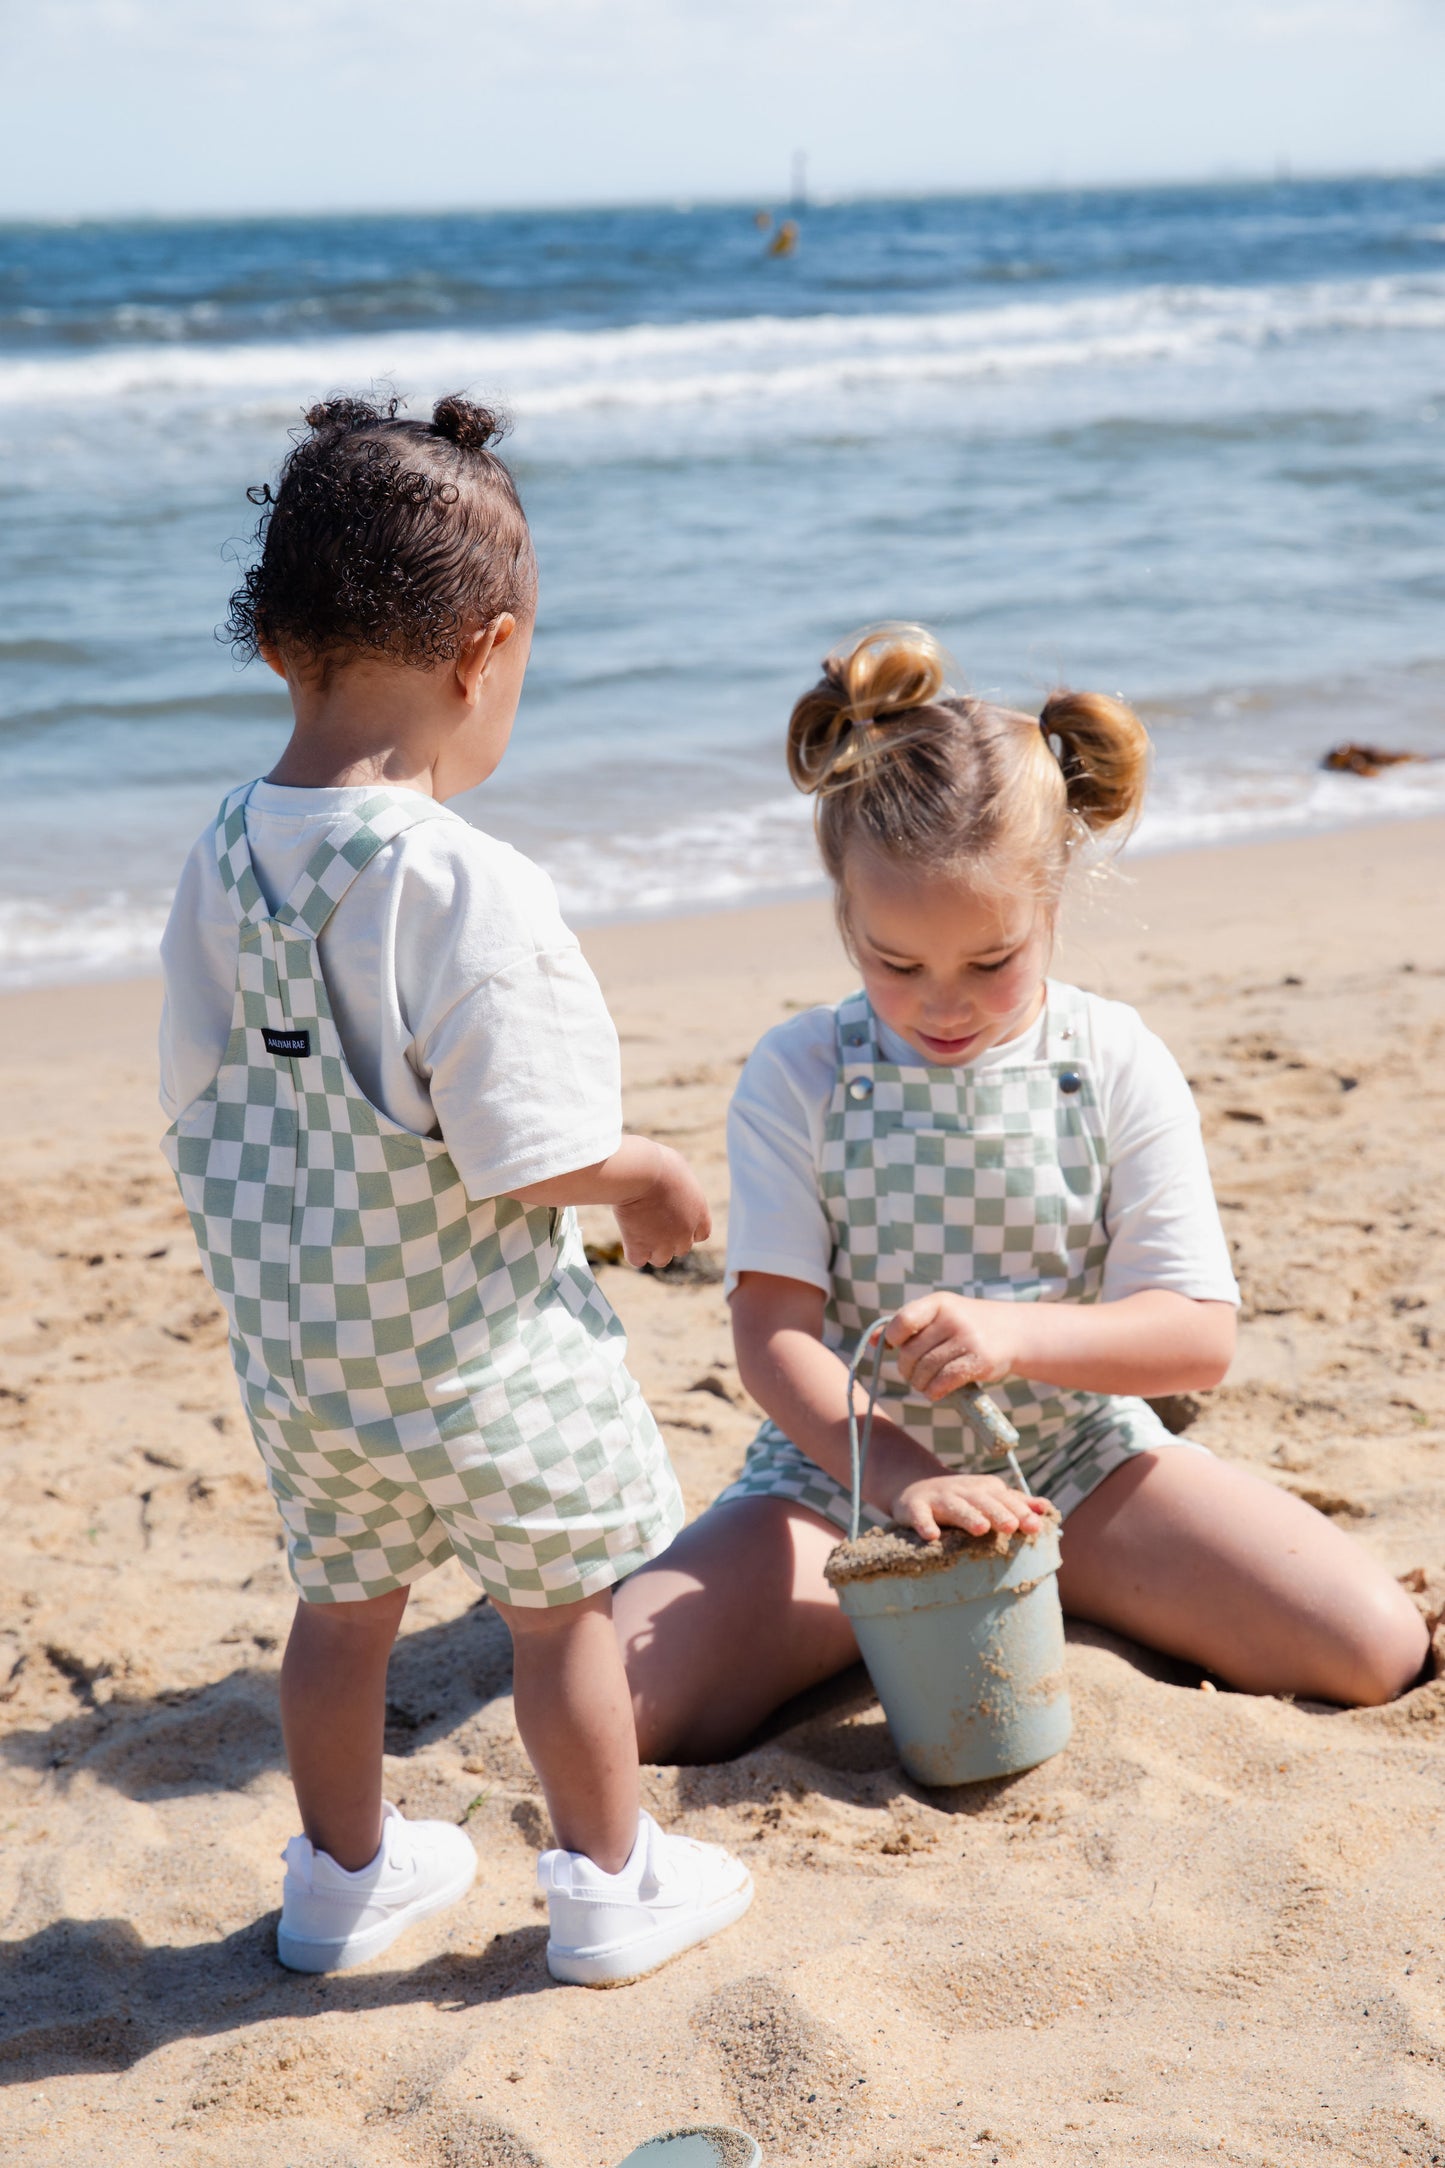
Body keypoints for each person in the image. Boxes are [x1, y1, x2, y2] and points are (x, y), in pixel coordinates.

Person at [159, 393, 751, 1983]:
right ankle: (609, 1884)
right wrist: (646, 1175)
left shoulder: (218, 856)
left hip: (308, 1346)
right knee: (559, 1614)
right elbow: (527, 1142)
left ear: (279, 638)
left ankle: (343, 1882)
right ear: (483, 653)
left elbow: (196, 1097)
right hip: (475, 1348)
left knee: (342, 1614)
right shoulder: (457, 878)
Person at [617, 623, 1428, 1762]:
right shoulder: (798, 1071)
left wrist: (1011, 1332)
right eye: (894, 963)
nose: (941, 1003)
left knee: (1373, 1645)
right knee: (620, 1706)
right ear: (844, 910)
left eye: (989, 961)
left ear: (1050, 903)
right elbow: (770, 1338)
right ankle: (887, 1601)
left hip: (1075, 1468)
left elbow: (1195, 1338)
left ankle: (1034, 1584)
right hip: (838, 1480)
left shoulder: (1111, 1057)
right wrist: (905, 1481)